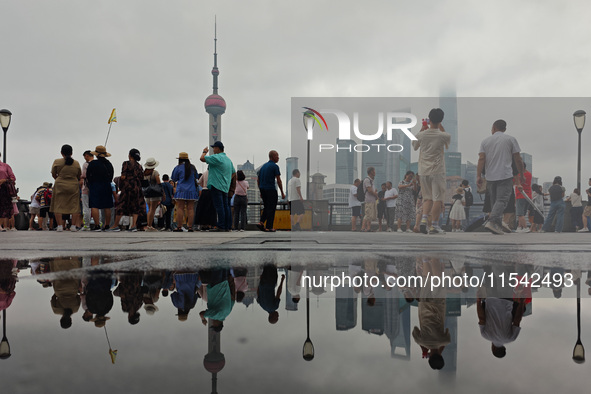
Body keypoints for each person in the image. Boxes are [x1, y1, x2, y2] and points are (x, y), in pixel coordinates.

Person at [477, 119, 524, 235]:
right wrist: (521, 174)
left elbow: (481, 159)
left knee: (495, 202)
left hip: (490, 176)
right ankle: (493, 222)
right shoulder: (510, 139)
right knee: (502, 200)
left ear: (493, 128)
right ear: (505, 129)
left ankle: (496, 225)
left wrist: (479, 175)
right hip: (505, 175)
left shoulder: (485, 141)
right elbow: (517, 159)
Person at [412, 108, 451, 235]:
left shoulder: (421, 135)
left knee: (427, 199)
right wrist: (440, 126)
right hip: (437, 171)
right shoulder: (443, 135)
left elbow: (414, 146)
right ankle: (434, 225)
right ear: (441, 120)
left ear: (429, 119)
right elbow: (446, 140)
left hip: (423, 172)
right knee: (437, 199)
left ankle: (423, 221)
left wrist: (422, 129)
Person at [477, 292, 525, 358]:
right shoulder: (485, 335)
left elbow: (517, 320)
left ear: (504, 348)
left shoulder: (511, 338)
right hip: (491, 298)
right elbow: (481, 318)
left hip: (507, 300)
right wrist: (478, 301)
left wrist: (522, 302)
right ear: (493, 349)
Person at [200, 141, 235, 232]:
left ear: (218, 148)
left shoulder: (216, 157)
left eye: (214, 148)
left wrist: (204, 152)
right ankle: (227, 226)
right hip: (225, 186)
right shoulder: (228, 159)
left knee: (219, 206)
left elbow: (202, 158)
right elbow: (234, 172)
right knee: (226, 206)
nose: (213, 149)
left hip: (216, 185)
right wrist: (226, 179)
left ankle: (221, 226)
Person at [50, 144, 82, 232]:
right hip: (73, 185)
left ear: (61, 153)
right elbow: (79, 175)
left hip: (60, 184)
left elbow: (53, 173)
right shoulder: (76, 163)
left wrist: (59, 179)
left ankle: (60, 226)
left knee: (58, 205)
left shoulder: (57, 161)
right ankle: (73, 226)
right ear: (72, 153)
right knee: (74, 205)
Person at [112, 149, 145, 232]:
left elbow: (123, 176)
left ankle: (115, 225)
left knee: (121, 205)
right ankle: (133, 225)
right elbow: (142, 177)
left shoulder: (126, 163)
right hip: (137, 187)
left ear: (130, 155)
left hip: (128, 187)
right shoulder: (139, 166)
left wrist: (119, 180)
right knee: (135, 206)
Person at [86, 146, 115, 231]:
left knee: (94, 205)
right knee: (107, 206)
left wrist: (91, 183)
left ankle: (97, 225)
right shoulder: (109, 164)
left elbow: (88, 176)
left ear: (96, 154)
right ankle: (107, 225)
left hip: (95, 185)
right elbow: (111, 177)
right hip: (106, 185)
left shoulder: (93, 163)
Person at [257, 150, 285, 232]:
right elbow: (279, 180)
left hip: (263, 189)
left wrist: (261, 191)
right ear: (272, 157)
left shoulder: (263, 167)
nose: (278, 158)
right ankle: (269, 226)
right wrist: (282, 192)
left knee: (267, 207)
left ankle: (261, 222)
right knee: (272, 208)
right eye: (277, 156)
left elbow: (258, 180)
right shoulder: (275, 166)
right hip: (271, 189)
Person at [172, 152, 199, 232]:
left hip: (181, 190)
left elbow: (174, 178)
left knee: (180, 208)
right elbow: (196, 176)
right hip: (191, 190)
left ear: (179, 159)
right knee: (190, 208)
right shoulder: (192, 167)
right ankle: (190, 227)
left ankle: (179, 227)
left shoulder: (178, 167)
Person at [142, 157, 163, 232]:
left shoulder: (144, 174)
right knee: (152, 209)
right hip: (155, 193)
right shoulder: (155, 173)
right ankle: (149, 226)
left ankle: (149, 225)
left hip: (147, 193)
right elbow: (159, 183)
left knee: (149, 209)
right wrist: (163, 194)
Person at [0, 153, 16, 232]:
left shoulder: (5, 166)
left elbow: (13, 178)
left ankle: (1, 226)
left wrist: (4, 180)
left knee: (3, 208)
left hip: (3, 189)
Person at [514, 163, 532, 233]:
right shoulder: (529, 174)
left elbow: (513, 182)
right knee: (522, 213)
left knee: (520, 213)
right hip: (528, 196)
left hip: (520, 195)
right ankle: (519, 227)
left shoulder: (518, 175)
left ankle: (525, 227)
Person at [79, 150, 94, 230]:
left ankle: (86, 225)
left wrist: (80, 176)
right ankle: (99, 223)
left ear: (87, 156)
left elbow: (84, 175)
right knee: (95, 207)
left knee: (86, 207)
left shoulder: (85, 164)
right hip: (94, 188)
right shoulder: (96, 164)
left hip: (86, 188)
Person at [361, 167, 378, 232]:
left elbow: (371, 190)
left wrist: (375, 194)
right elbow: (369, 190)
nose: (375, 172)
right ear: (371, 172)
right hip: (369, 200)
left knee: (370, 215)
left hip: (372, 200)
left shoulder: (371, 180)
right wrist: (376, 195)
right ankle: (363, 228)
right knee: (368, 214)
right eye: (374, 171)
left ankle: (368, 228)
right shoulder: (367, 180)